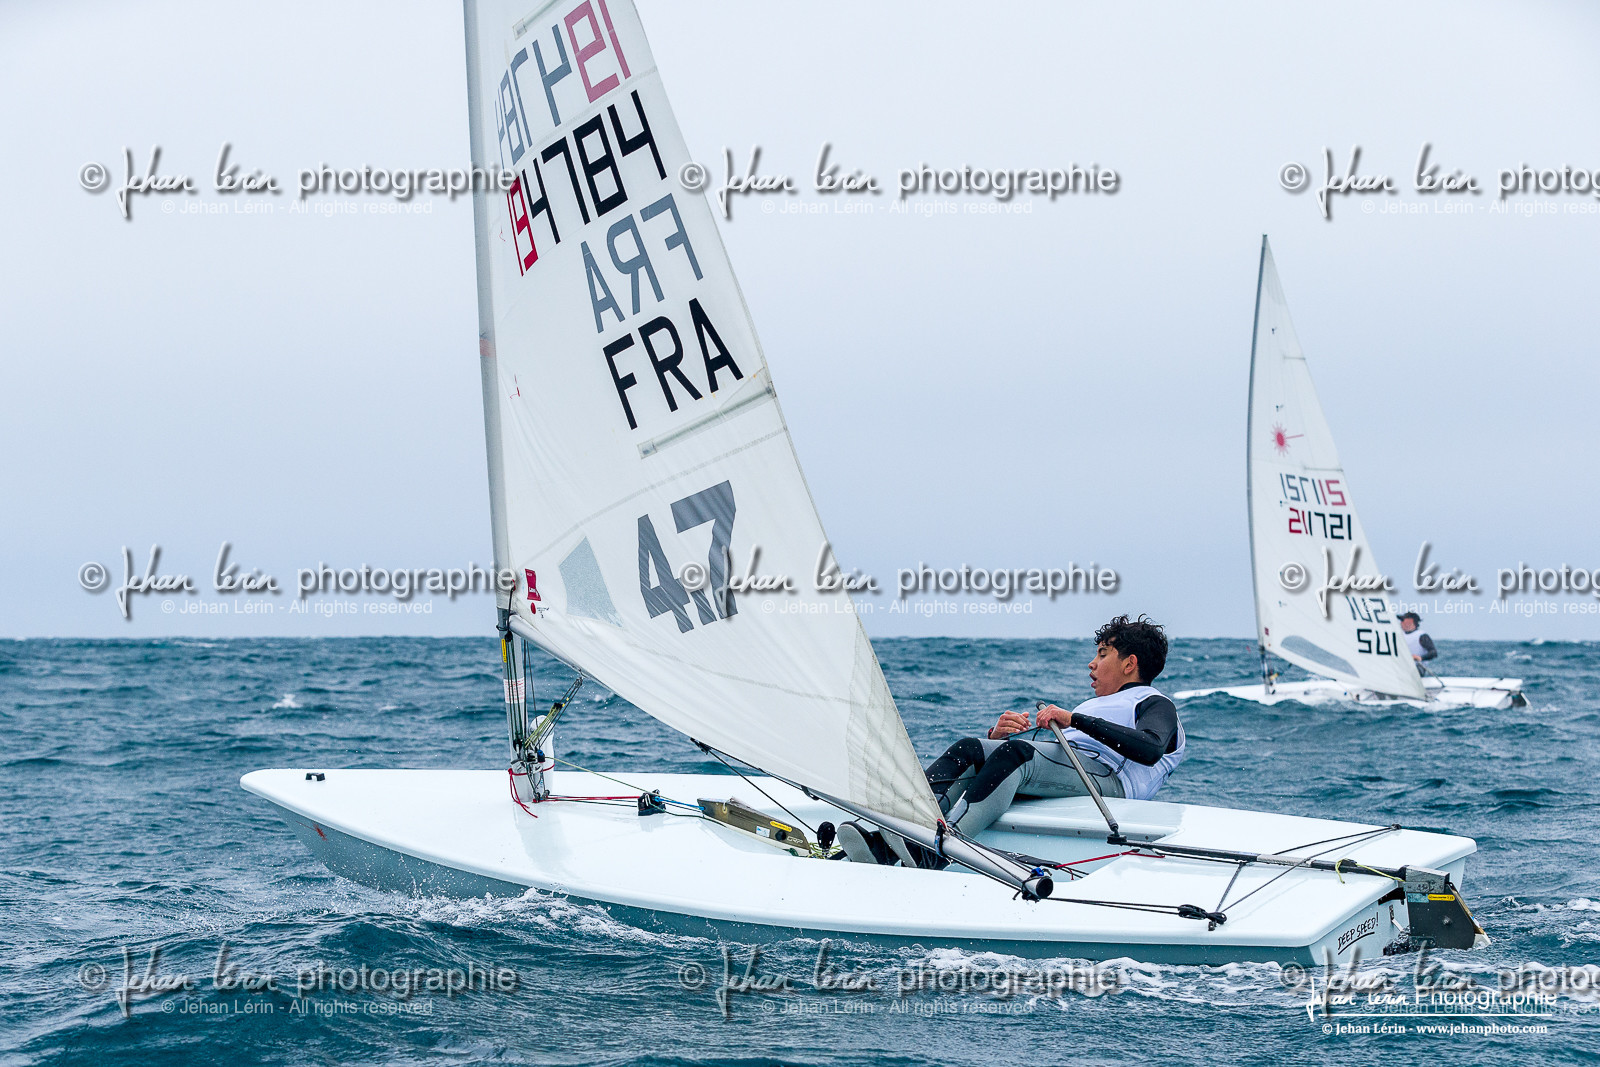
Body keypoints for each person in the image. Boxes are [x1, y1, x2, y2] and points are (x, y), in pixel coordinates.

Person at [838, 614, 1186, 868]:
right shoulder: (1097, 705)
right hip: (1075, 770)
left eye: (1102, 654)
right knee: (971, 748)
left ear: (1129, 664)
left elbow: (1150, 748)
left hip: (1111, 785)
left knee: (1017, 754)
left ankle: (934, 854)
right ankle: (889, 838)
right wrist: (997, 739)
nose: (1091, 664)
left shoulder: (1155, 703)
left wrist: (1072, 719)